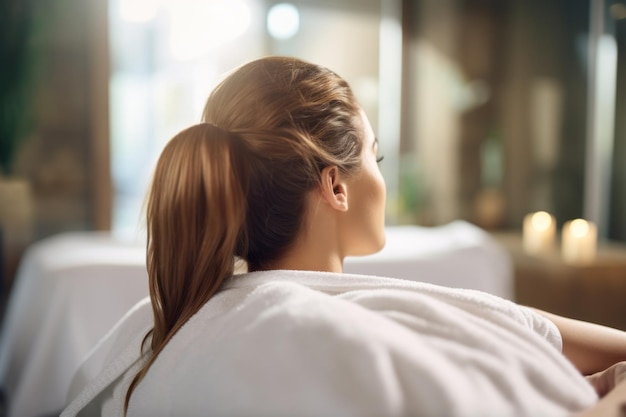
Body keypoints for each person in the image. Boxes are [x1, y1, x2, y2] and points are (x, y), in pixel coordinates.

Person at [62, 56, 626, 417]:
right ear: (335, 186)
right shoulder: (355, 322)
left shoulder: (168, 323)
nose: (380, 173)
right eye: (375, 155)